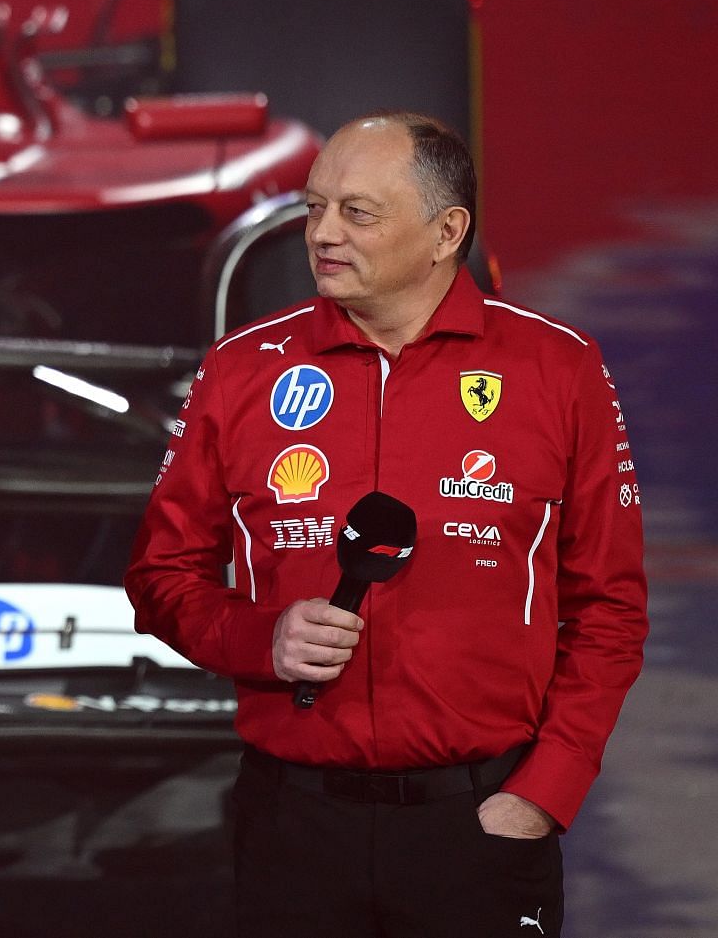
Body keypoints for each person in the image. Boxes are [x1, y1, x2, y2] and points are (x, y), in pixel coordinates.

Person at [124, 112, 646, 938]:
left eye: (357, 212)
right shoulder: (240, 370)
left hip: (481, 826)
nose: (323, 233)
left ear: (447, 233)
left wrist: (545, 792)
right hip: (292, 826)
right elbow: (160, 580)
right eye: (314, 207)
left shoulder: (559, 368)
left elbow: (609, 608)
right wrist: (260, 637)